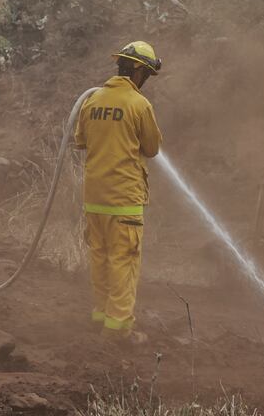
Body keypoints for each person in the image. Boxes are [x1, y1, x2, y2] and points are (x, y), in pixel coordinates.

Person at [74, 41, 163, 343]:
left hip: (94, 200)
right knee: (123, 263)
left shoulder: (92, 101)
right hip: (124, 202)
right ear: (138, 71)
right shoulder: (139, 105)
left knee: (100, 260)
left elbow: (81, 140)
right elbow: (151, 148)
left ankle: (100, 316)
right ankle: (118, 330)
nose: (146, 81)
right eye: (147, 75)